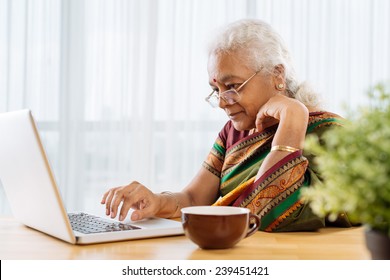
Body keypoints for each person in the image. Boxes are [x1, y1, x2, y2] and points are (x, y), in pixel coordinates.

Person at [101, 19, 351, 232]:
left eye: (232, 86)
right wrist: (156, 201)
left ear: (277, 75)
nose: (222, 102)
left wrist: (293, 117)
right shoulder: (235, 131)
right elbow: (193, 199)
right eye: (215, 90)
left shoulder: (328, 133)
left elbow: (267, 213)